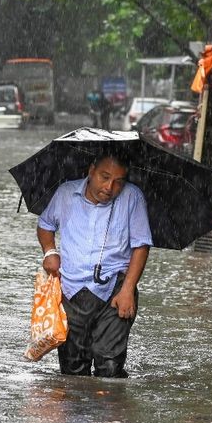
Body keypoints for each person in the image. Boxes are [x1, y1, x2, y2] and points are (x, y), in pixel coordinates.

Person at [37, 154, 152, 378]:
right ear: (91, 171)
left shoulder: (132, 197)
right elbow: (45, 225)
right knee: (72, 372)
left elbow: (141, 246)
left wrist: (128, 289)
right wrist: (50, 251)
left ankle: (109, 411)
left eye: (118, 181)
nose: (110, 187)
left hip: (115, 290)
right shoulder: (65, 193)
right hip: (71, 290)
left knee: (109, 368)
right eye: (105, 177)